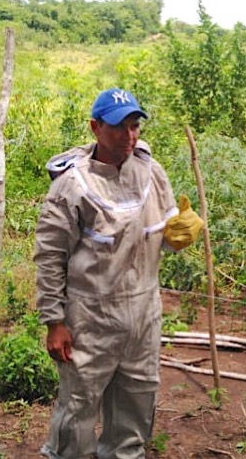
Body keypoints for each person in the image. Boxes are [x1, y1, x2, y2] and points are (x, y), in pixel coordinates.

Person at [34, 88, 204, 459]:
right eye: (118, 128)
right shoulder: (72, 185)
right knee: (77, 410)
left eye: (134, 126)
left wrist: (179, 234)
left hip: (144, 313)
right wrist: (54, 321)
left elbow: (161, 236)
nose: (129, 137)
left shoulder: (150, 171)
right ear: (95, 127)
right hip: (89, 318)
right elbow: (49, 257)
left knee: (135, 407)